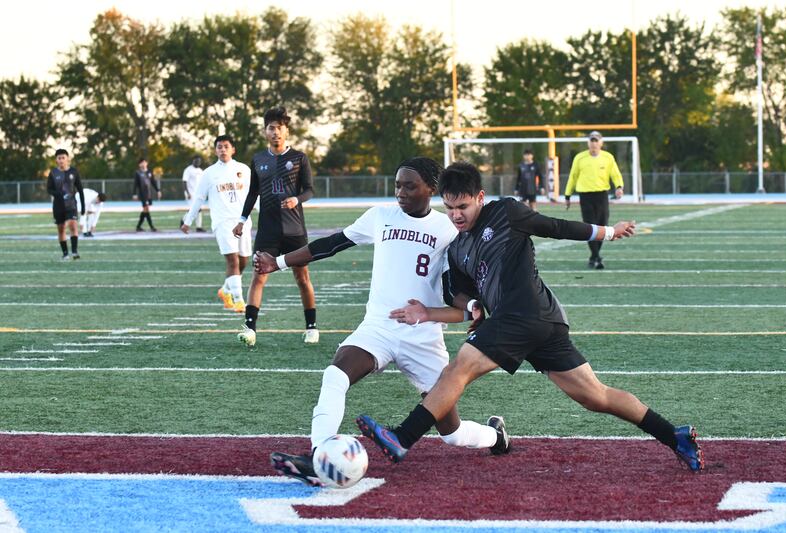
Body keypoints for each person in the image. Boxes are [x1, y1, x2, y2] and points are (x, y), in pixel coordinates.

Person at [356, 162, 704, 473]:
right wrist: (470, 310)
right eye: (449, 208)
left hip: (525, 314)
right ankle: (675, 436)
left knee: (457, 370)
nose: (456, 215)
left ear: (480, 197)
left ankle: (401, 437)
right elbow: (466, 300)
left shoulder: (505, 212)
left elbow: (554, 226)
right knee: (594, 396)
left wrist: (608, 232)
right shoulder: (457, 248)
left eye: (463, 206)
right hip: (538, 321)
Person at [253, 157, 509, 487]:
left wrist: (472, 305)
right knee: (334, 376)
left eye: (409, 185)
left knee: (452, 434)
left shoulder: (447, 229)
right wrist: (279, 262)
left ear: (431, 189)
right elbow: (332, 244)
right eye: (398, 184)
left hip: (423, 338)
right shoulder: (380, 216)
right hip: (379, 327)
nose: (400, 192)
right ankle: (319, 457)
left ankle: (495, 435)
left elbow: (452, 289)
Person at [233, 106, 318, 346]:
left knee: (302, 278)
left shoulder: (299, 158)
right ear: (265, 131)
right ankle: (250, 329)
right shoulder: (259, 159)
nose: (276, 132)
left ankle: (311, 327)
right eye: (271, 128)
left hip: (294, 230)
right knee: (258, 276)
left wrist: (297, 199)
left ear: (287, 131)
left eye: (280, 128)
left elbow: (310, 189)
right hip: (267, 230)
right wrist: (241, 220)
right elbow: (252, 193)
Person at [182, 135, 252, 313]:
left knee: (243, 260)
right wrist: (188, 221)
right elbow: (198, 198)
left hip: (243, 221)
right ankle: (238, 301)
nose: (222, 150)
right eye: (219, 147)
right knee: (233, 260)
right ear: (215, 151)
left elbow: (253, 196)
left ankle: (226, 290)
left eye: (226, 146)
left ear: (233, 149)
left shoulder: (243, 169)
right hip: (222, 222)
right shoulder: (208, 173)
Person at [564, 131, 624, 270]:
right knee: (590, 226)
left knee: (603, 225)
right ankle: (596, 257)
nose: (594, 143)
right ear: (588, 142)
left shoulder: (608, 157)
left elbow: (615, 174)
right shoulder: (580, 158)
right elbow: (573, 177)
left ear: (601, 142)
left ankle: (594, 256)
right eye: (592, 140)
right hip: (585, 196)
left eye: (596, 140)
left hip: (602, 195)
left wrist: (619, 187)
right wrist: (567, 195)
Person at [46, 149, 85, 260]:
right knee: (61, 229)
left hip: (71, 205)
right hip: (58, 206)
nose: (61, 160)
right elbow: (49, 189)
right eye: (59, 158)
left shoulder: (74, 171)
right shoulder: (53, 173)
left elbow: (80, 189)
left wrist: (83, 206)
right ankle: (65, 253)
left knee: (73, 225)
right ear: (56, 160)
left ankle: (75, 252)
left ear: (68, 159)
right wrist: (58, 194)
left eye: (63, 158)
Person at [132, 157, 161, 232]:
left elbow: (153, 182)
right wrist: (134, 194)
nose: (143, 164)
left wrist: (158, 190)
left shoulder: (149, 172)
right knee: (146, 208)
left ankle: (138, 226)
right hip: (142, 194)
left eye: (145, 162)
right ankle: (152, 227)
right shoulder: (137, 173)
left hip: (149, 194)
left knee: (145, 210)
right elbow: (135, 184)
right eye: (142, 162)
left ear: (147, 163)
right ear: (139, 164)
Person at [182, 155, 205, 232]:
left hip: (198, 194)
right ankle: (198, 227)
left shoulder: (201, 171)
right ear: (193, 161)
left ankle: (185, 221)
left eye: (199, 161)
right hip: (190, 194)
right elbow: (184, 182)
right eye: (196, 161)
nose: (198, 162)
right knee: (195, 209)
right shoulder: (188, 170)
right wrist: (187, 193)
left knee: (198, 209)